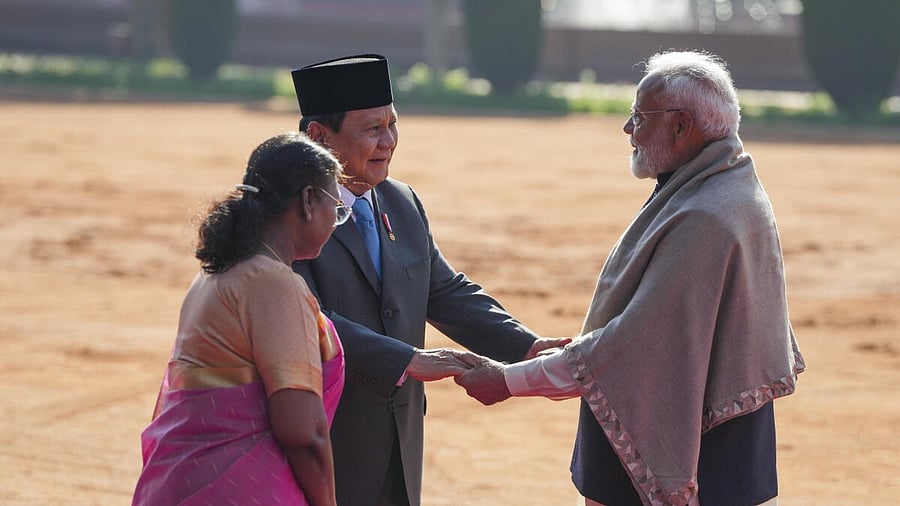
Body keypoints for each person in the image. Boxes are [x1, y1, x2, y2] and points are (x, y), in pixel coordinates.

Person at [454, 50, 806, 506]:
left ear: (682, 126)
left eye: (639, 116)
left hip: (693, 460)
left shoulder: (705, 215)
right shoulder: (726, 185)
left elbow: (626, 349)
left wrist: (509, 380)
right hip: (724, 448)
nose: (627, 129)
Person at [289, 54, 570, 506]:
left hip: (399, 440)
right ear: (318, 136)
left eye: (393, 125)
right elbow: (305, 318)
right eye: (372, 129)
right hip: (322, 440)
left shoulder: (400, 201)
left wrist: (525, 346)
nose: (389, 142)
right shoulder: (287, 215)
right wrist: (406, 360)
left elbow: (443, 290)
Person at [134, 132, 350, 505]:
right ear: (309, 200)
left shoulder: (216, 273)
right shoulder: (274, 283)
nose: (337, 219)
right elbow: (302, 431)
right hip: (239, 491)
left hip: (183, 483)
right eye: (337, 205)